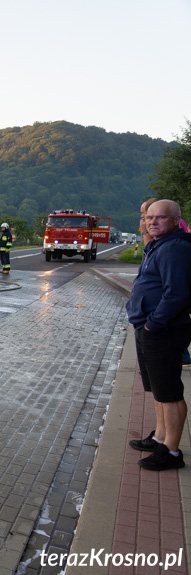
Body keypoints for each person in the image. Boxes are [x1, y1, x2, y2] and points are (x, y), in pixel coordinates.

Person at [126, 199, 191, 471]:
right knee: (158, 389)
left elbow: (177, 293)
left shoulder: (175, 248)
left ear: (176, 220)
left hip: (162, 331)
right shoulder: (158, 244)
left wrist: (154, 323)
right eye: (149, 218)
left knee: (170, 391)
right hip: (149, 328)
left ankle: (172, 452)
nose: (153, 222)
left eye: (160, 218)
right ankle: (160, 437)